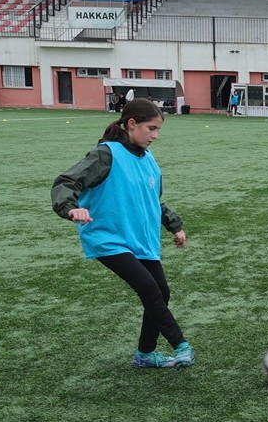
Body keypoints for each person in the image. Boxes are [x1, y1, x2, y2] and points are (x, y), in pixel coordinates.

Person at [51, 99, 195, 369]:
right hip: (108, 238)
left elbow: (152, 199)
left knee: (161, 292)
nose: (155, 135)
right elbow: (66, 182)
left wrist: (174, 225)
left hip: (141, 240)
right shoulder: (105, 154)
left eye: (158, 129)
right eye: (151, 128)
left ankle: (145, 354)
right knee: (148, 287)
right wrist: (71, 209)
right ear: (131, 124)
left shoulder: (148, 159)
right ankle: (181, 345)